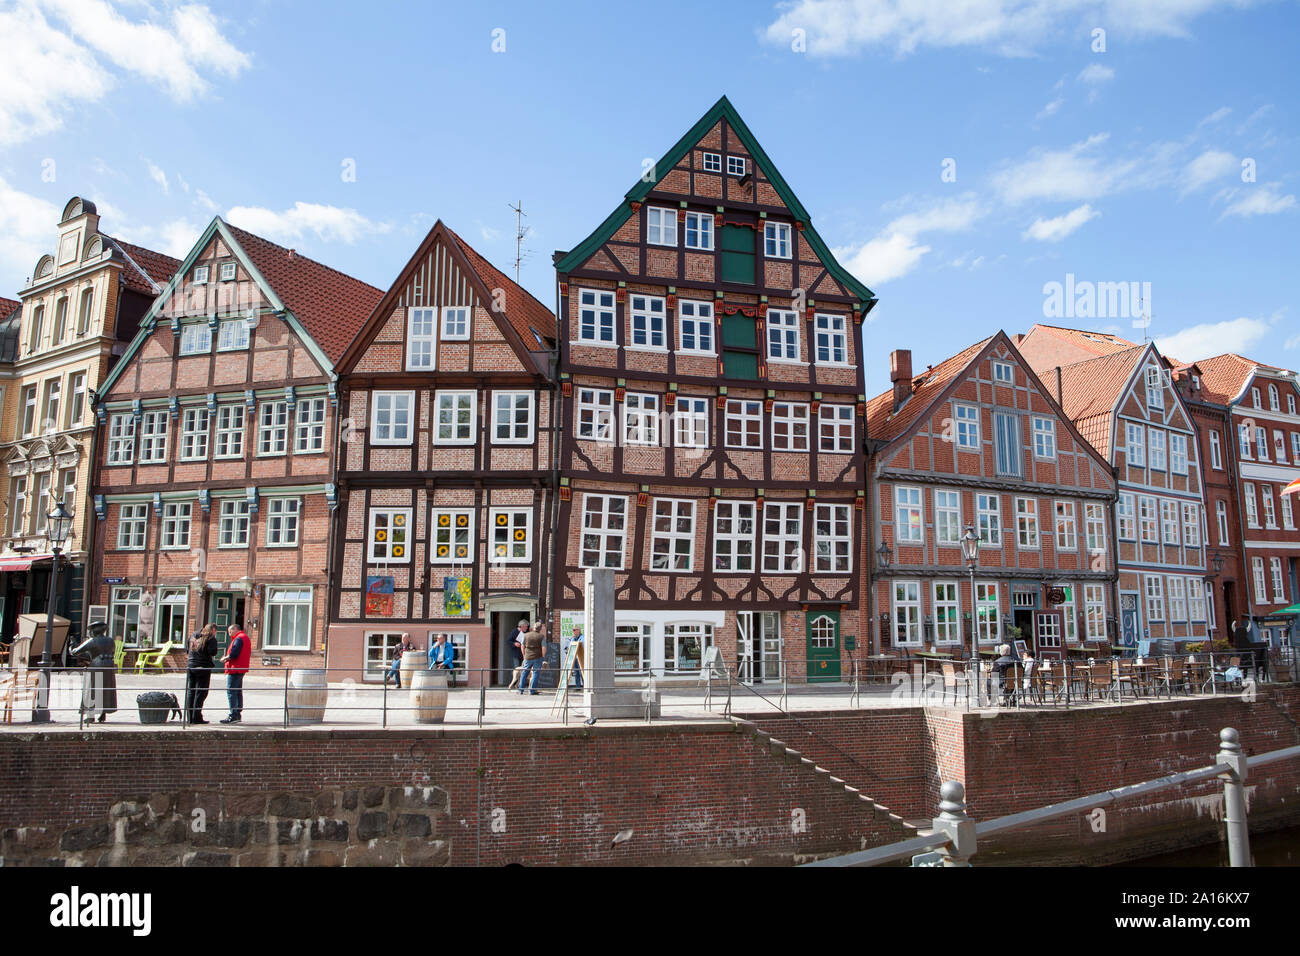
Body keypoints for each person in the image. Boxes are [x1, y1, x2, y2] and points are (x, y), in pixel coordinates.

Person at [69, 623, 118, 723]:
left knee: (91, 689)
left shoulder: (93, 640)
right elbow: (111, 652)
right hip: (109, 665)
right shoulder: (110, 640)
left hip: (97, 665)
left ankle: (90, 715)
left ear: (94, 631)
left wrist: (72, 644)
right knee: (106, 689)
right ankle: (103, 713)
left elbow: (75, 652)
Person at [185, 623, 219, 724]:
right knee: (201, 692)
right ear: (213, 630)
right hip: (203, 667)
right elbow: (213, 652)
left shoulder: (193, 635)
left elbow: (187, 649)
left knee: (191, 691)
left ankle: (189, 717)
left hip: (191, 665)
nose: (215, 633)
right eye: (215, 631)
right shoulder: (210, 638)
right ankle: (197, 717)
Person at [219, 622, 250, 724]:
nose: (229, 634)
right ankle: (238, 713)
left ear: (235, 629)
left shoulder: (239, 638)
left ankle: (233, 714)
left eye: (229, 631)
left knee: (231, 691)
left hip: (235, 668)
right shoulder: (245, 637)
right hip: (241, 668)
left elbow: (234, 653)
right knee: (237, 691)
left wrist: (225, 658)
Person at [518, 624, 545, 695]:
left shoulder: (526, 635)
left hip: (527, 657)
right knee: (536, 673)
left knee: (524, 673)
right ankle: (532, 691)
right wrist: (542, 656)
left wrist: (524, 655)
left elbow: (522, 646)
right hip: (537, 657)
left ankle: (521, 690)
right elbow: (543, 648)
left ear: (533, 628)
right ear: (540, 629)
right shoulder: (541, 636)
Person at [507, 618, 528, 689]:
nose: (527, 628)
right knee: (515, 669)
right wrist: (514, 644)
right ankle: (512, 684)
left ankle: (519, 685)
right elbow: (508, 641)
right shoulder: (514, 632)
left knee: (521, 670)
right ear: (521, 626)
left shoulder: (525, 633)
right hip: (515, 654)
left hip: (522, 654)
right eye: (526, 626)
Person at [570, 624, 585, 690]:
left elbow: (582, 645)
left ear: (578, 630)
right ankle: (578, 686)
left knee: (582, 672)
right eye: (573, 630)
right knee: (576, 672)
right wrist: (572, 639)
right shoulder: (573, 638)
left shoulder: (582, 638)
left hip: (581, 658)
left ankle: (585, 686)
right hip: (575, 658)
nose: (573, 632)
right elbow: (569, 645)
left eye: (574, 630)